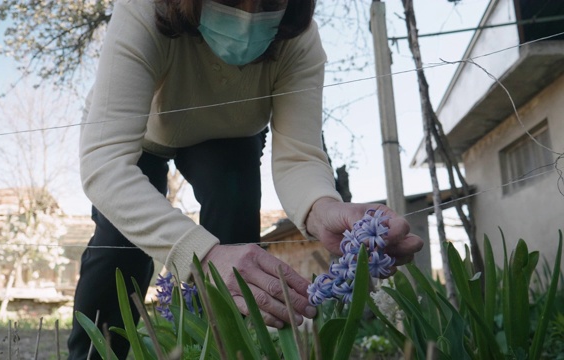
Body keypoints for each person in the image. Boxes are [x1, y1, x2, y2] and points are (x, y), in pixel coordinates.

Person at [67, 0, 424, 358]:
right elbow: (106, 163)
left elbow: (299, 157)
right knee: (119, 246)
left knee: (237, 242)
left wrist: (321, 206)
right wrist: (199, 256)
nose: (248, 16)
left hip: (230, 134)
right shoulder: (144, 11)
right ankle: (94, 353)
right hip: (141, 131)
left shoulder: (298, 40)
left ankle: (229, 351)